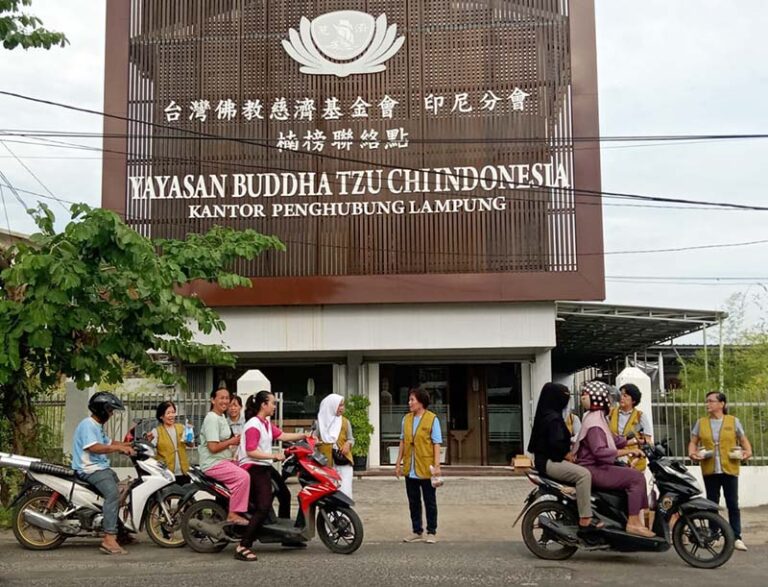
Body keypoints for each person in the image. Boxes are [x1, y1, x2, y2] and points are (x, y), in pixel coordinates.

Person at [235, 391, 309, 562]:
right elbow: (251, 451)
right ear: (263, 405)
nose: (275, 406)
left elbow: (281, 435)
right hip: (253, 467)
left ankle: (286, 537)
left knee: (284, 494)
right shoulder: (254, 425)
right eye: (273, 403)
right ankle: (243, 545)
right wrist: (273, 456)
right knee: (263, 507)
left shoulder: (265, 423)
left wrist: (304, 436)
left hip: (264, 466)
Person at [574, 381, 653, 537]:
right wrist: (627, 452)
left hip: (597, 466)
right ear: (601, 399)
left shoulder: (598, 418)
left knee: (633, 474)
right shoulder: (595, 423)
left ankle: (632, 519)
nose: (613, 402)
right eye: (610, 398)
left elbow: (613, 439)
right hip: (593, 468)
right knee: (636, 478)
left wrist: (634, 443)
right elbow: (600, 451)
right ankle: (633, 522)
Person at [528, 383, 602, 531]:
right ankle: (585, 519)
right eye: (564, 397)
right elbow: (556, 444)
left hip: (545, 460)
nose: (566, 400)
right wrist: (567, 455)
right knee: (584, 475)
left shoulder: (547, 414)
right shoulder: (553, 419)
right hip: (550, 462)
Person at [71, 391, 136, 555]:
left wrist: (131, 445)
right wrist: (118, 448)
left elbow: (109, 442)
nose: (111, 414)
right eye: (110, 410)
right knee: (113, 494)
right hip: (90, 469)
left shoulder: (96, 426)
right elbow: (94, 447)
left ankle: (119, 532)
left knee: (122, 492)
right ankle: (109, 538)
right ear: (102, 409)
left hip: (101, 468)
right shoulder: (88, 425)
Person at [688, 391, 752, 552]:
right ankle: (713, 535)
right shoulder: (701, 422)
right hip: (710, 469)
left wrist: (748, 452)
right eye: (707, 401)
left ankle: (736, 537)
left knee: (733, 504)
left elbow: (743, 440)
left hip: (729, 468)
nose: (708, 404)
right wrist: (692, 453)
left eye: (711, 401)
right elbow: (693, 442)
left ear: (721, 404)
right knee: (712, 504)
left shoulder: (733, 421)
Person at [394, 388, 442, 544]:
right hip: (410, 467)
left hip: (426, 467)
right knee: (413, 501)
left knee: (430, 501)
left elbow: (436, 443)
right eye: (409, 400)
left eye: (412, 400)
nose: (409, 403)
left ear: (421, 402)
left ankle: (431, 531)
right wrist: (398, 463)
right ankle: (416, 531)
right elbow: (402, 441)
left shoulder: (432, 419)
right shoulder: (406, 419)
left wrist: (437, 466)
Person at [198, 387, 250, 526]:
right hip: (213, 463)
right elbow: (213, 447)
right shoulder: (212, 419)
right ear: (212, 400)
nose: (225, 401)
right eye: (221, 398)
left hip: (224, 460)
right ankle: (233, 514)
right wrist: (231, 441)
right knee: (243, 477)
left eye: (227, 398)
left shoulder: (221, 417)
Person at [316, 393, 355, 498]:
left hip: (343, 461)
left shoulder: (345, 422)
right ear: (331, 406)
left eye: (343, 405)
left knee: (344, 492)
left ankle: (343, 509)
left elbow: (351, 439)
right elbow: (313, 439)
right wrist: (316, 442)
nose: (342, 408)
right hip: (325, 464)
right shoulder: (319, 423)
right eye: (339, 405)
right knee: (328, 494)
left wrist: (348, 444)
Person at [608, 383, 653, 471]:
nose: (621, 398)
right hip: (614, 460)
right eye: (621, 395)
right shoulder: (611, 413)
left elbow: (648, 441)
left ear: (633, 400)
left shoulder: (640, 416)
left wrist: (637, 458)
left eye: (625, 396)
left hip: (635, 462)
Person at [147, 400, 191, 484]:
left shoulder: (182, 428)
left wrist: (189, 438)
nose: (171, 415)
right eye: (168, 413)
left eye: (173, 412)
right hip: (166, 473)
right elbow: (150, 449)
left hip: (184, 472)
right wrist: (148, 441)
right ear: (161, 416)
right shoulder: (157, 431)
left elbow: (191, 444)